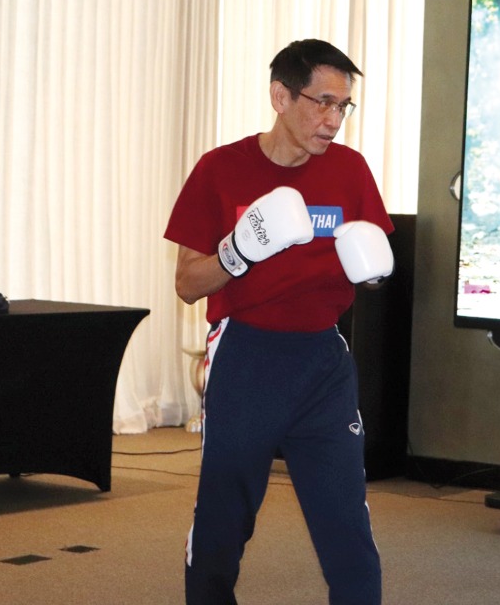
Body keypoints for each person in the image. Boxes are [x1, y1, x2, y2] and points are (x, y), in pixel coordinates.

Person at [165, 38, 394, 605]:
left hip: (322, 360)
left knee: (348, 528)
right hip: (247, 357)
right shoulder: (221, 170)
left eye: (344, 106)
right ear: (279, 96)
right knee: (224, 522)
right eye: (321, 102)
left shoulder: (350, 171)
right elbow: (187, 284)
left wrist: (374, 271)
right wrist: (237, 251)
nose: (333, 119)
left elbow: (375, 264)